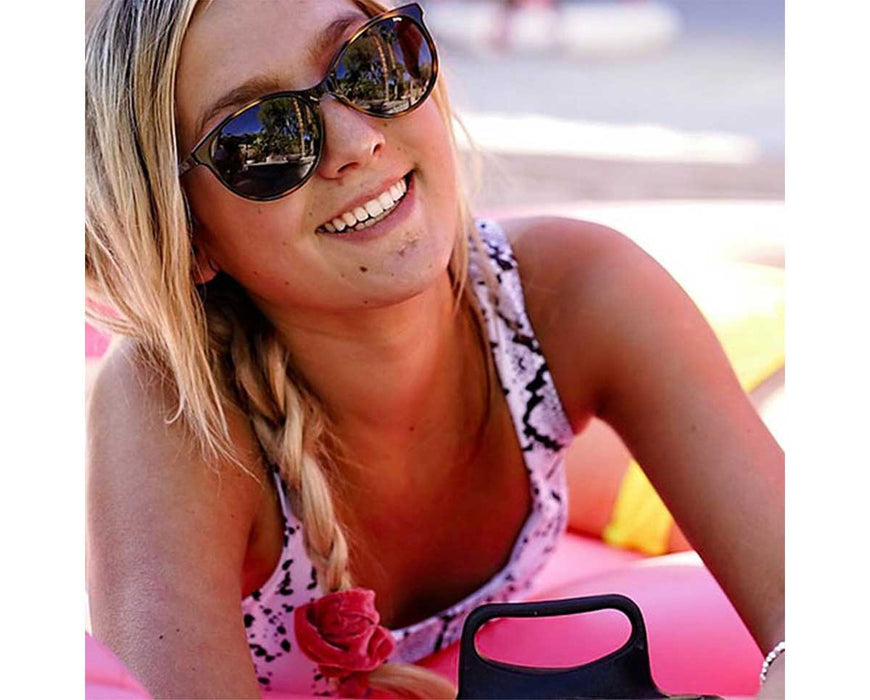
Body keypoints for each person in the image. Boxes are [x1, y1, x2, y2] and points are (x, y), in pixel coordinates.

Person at [84, 1, 784, 698]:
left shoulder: (571, 296)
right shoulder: (173, 411)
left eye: (369, 62)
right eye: (264, 135)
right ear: (190, 232)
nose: (356, 141)